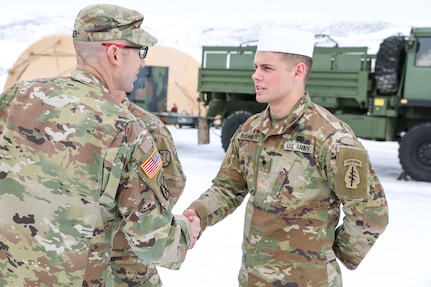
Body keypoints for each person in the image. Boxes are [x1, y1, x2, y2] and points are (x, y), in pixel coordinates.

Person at [0, 4, 199, 286]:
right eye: (140, 52)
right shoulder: (126, 127)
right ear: (115, 53)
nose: (143, 63)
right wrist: (187, 230)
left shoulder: (18, 96)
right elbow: (154, 245)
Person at [184, 26, 389, 287]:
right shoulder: (250, 131)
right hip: (252, 279)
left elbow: (371, 212)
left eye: (267, 69)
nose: (255, 76)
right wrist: (198, 215)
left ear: (298, 71)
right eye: (256, 67)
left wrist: (329, 254)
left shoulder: (330, 137)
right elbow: (226, 189)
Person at [110, 90, 187, 286]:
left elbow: (173, 183)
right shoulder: (78, 117)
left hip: (128, 255)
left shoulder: (148, 126)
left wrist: (138, 221)